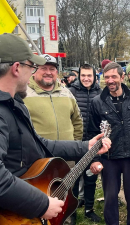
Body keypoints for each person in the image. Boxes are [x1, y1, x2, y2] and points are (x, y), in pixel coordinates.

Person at [0, 33, 111, 222]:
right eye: (32, 66)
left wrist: (86, 146)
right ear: (17, 68)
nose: (33, 73)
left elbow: (40, 145)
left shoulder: (15, 104)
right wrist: (41, 204)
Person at [88, 62, 130, 225]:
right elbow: (91, 132)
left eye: (114, 76)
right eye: (106, 77)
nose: (110, 80)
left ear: (122, 77)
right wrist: (94, 159)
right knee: (110, 197)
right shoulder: (97, 102)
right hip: (109, 157)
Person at [69, 63, 102, 224]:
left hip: (94, 142)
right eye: (83, 75)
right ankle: (72, 211)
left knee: (91, 177)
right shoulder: (71, 92)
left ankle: (89, 209)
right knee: (73, 179)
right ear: (79, 76)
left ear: (95, 76)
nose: (86, 78)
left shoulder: (100, 93)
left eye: (89, 75)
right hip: (75, 142)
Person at [24, 54, 83, 142]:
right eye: (43, 68)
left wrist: (75, 145)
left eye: (52, 69)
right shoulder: (23, 94)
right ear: (34, 70)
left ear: (56, 72)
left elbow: (77, 122)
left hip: (68, 153)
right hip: (38, 154)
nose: (48, 73)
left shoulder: (66, 93)